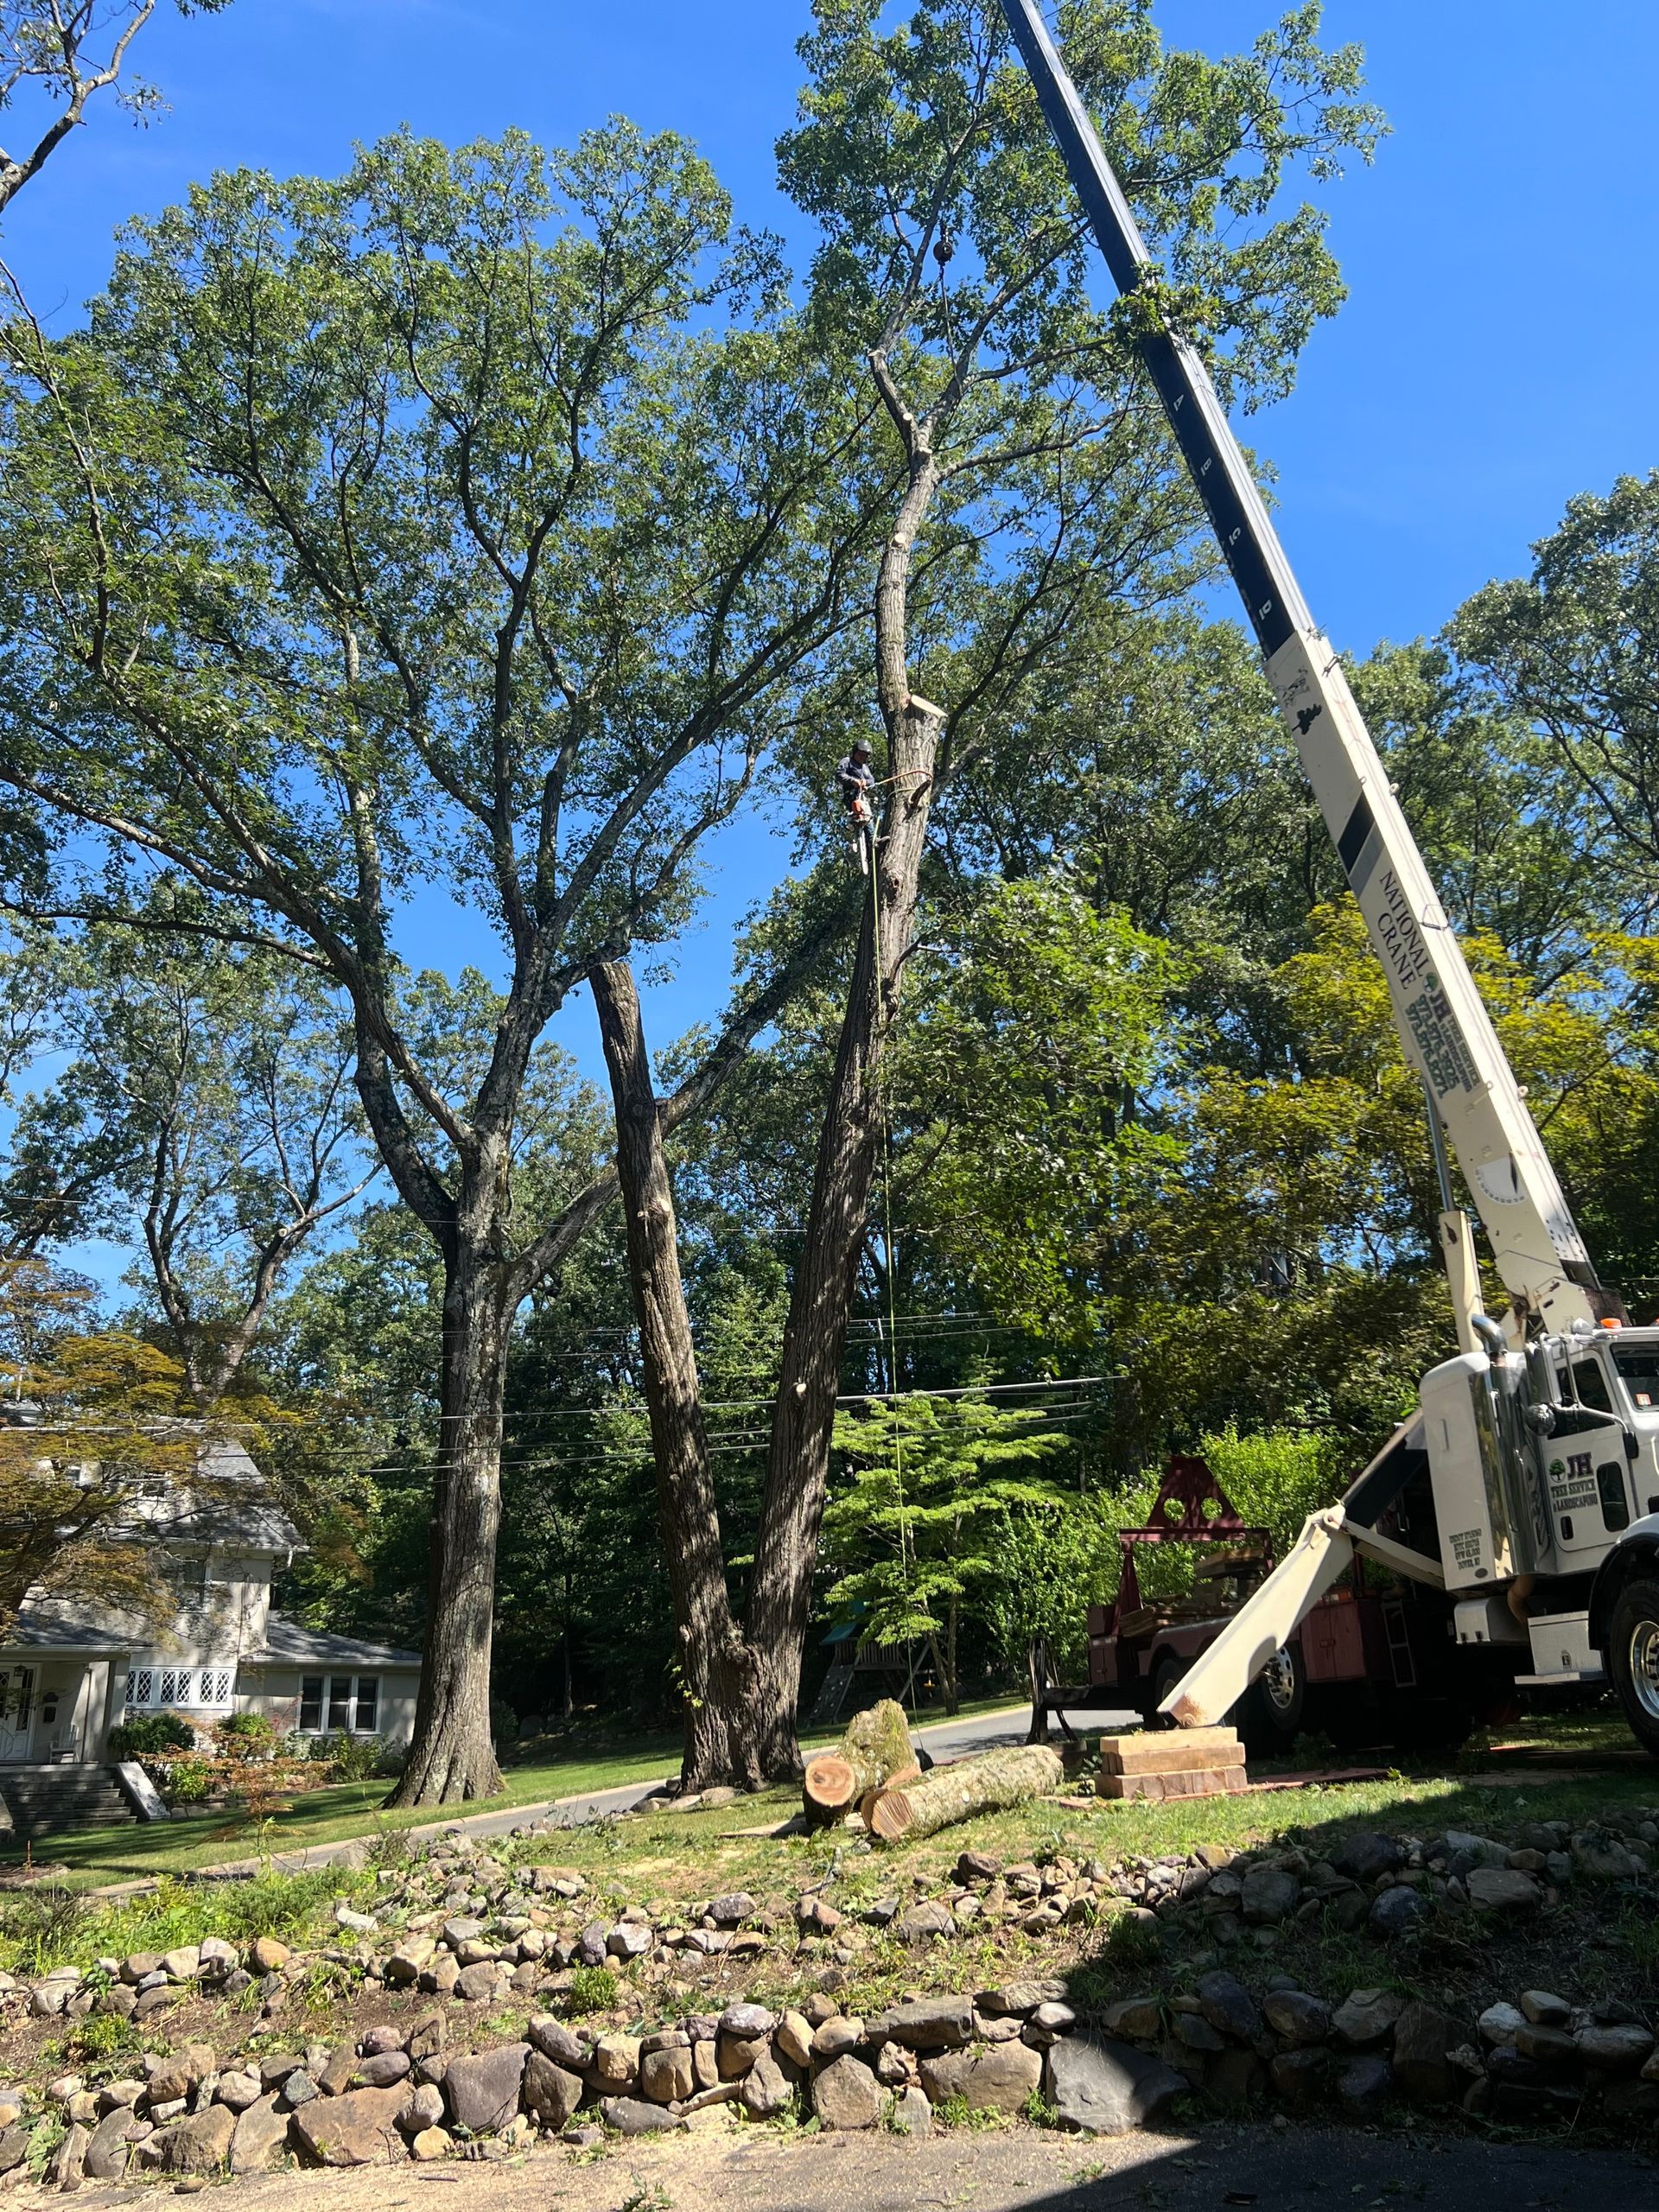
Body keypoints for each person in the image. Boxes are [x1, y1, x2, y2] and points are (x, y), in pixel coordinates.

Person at [836, 738, 878, 870]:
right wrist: (852, 781)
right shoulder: (847, 761)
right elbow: (839, 774)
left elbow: (872, 780)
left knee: (868, 817)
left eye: (864, 756)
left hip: (864, 797)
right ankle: (870, 839)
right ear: (855, 752)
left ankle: (871, 844)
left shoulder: (865, 768)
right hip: (851, 795)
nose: (862, 757)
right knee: (862, 812)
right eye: (860, 754)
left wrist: (866, 783)